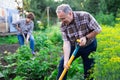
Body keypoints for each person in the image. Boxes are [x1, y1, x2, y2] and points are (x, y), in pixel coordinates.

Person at [56, 4, 102, 80]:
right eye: (60, 19)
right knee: (62, 64)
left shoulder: (85, 16)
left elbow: (98, 29)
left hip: (89, 45)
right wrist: (66, 60)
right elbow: (66, 43)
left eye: (63, 18)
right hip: (75, 46)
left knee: (89, 71)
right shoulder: (63, 26)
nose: (62, 21)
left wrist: (86, 37)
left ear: (70, 13)